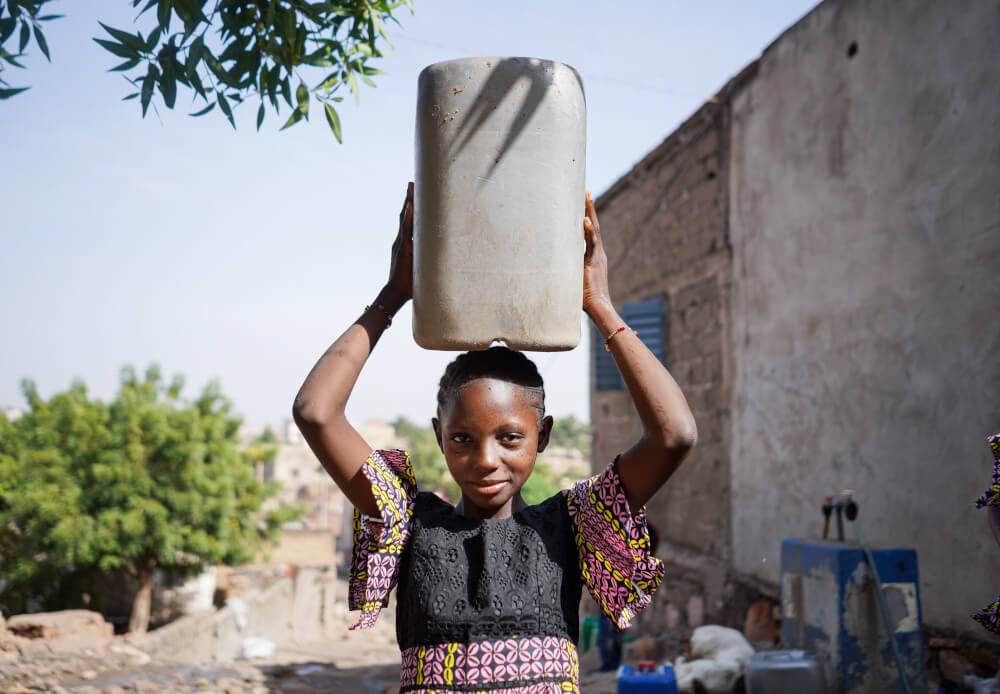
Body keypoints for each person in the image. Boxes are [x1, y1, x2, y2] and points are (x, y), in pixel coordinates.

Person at [292, 183, 697, 693]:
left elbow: (674, 435)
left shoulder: (570, 526)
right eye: (462, 438)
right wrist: (391, 297)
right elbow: (315, 412)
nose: (485, 459)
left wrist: (600, 305)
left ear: (542, 436)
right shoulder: (408, 521)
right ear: (439, 437)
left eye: (509, 437)